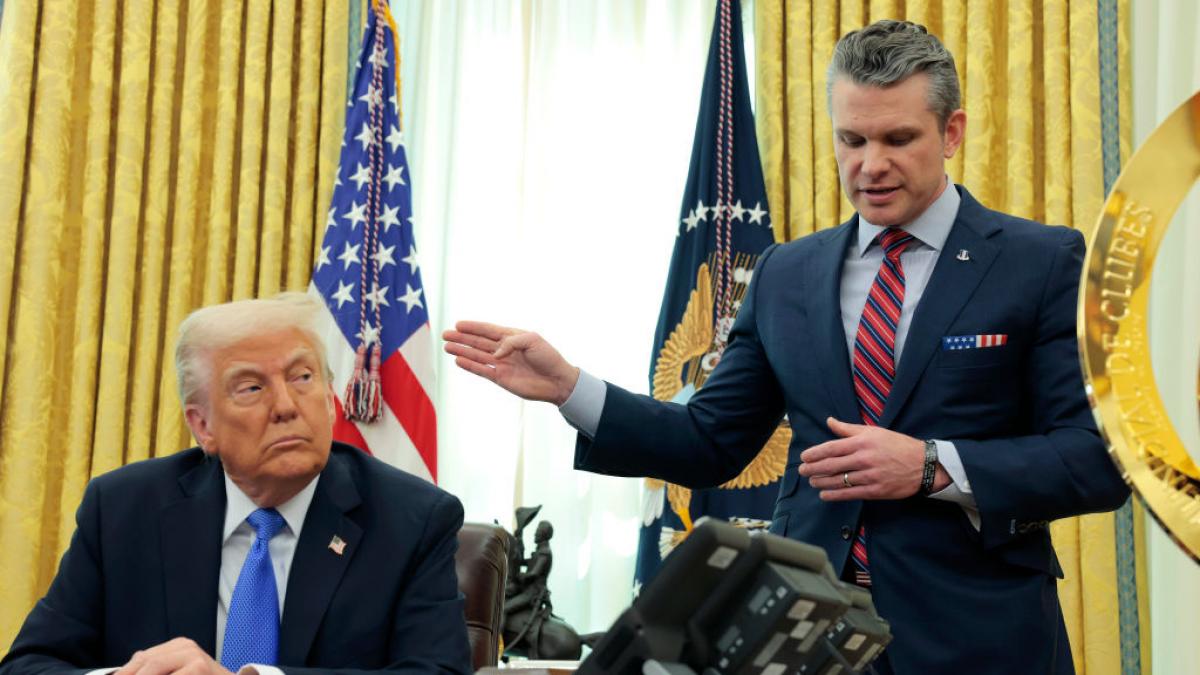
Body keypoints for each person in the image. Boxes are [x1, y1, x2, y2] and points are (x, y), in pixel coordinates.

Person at [443, 19, 1129, 675]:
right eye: (851, 140)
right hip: (804, 639)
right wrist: (571, 388)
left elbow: (1094, 461)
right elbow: (710, 441)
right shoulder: (785, 273)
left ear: (952, 132)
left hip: (977, 640)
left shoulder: (1042, 262)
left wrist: (931, 466)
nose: (871, 165)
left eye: (899, 138)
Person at [1, 293, 472, 675]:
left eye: (302, 377)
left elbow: (438, 672)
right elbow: (28, 665)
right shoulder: (124, 508)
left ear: (330, 400)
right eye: (251, 387)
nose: (286, 406)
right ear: (202, 425)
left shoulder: (411, 519)